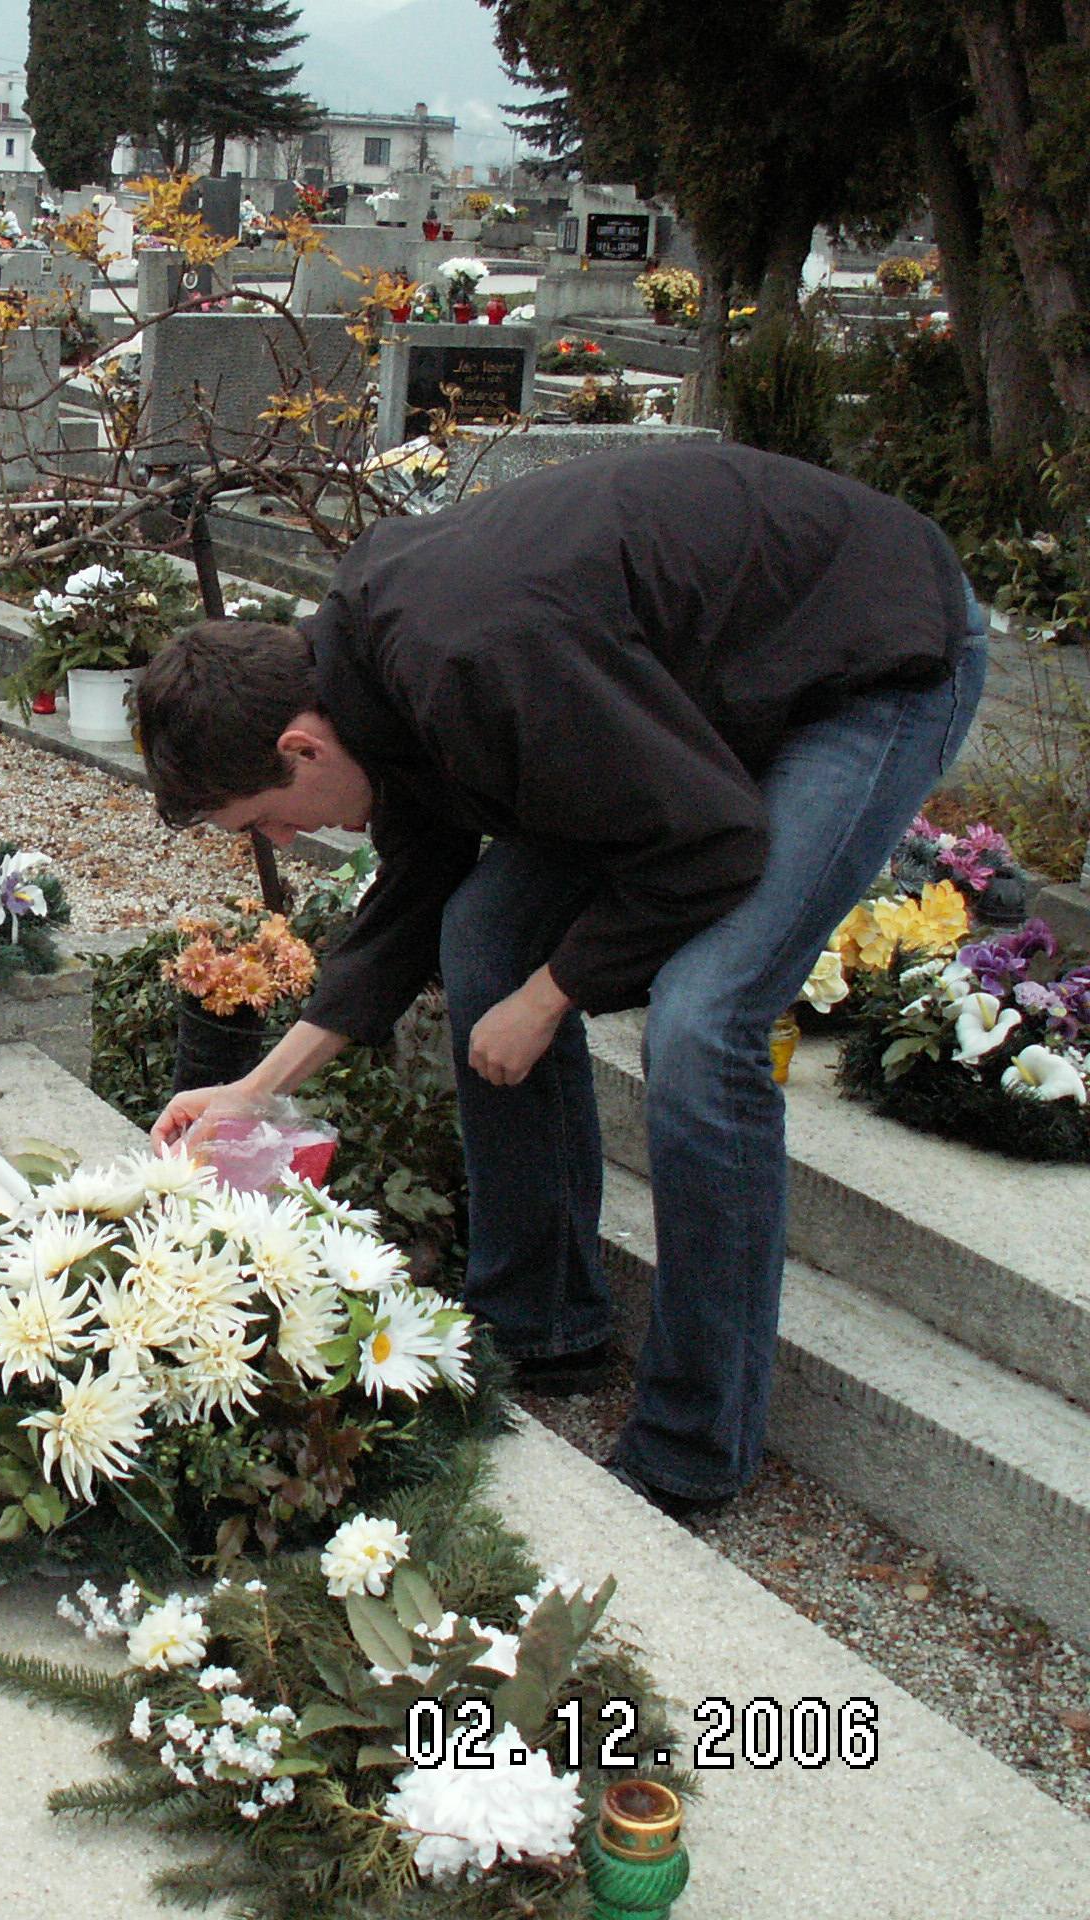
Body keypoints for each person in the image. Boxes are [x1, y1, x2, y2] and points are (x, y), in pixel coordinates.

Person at [138, 444, 986, 1521]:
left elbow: (712, 844)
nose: (283, 841)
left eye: (263, 820)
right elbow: (418, 886)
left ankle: (693, 1444)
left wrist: (551, 996)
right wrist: (255, 1091)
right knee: (483, 930)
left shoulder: (473, 661)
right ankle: (538, 1326)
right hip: (709, 685)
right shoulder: (362, 675)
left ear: (301, 749)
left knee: (703, 1023)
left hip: (868, 653)